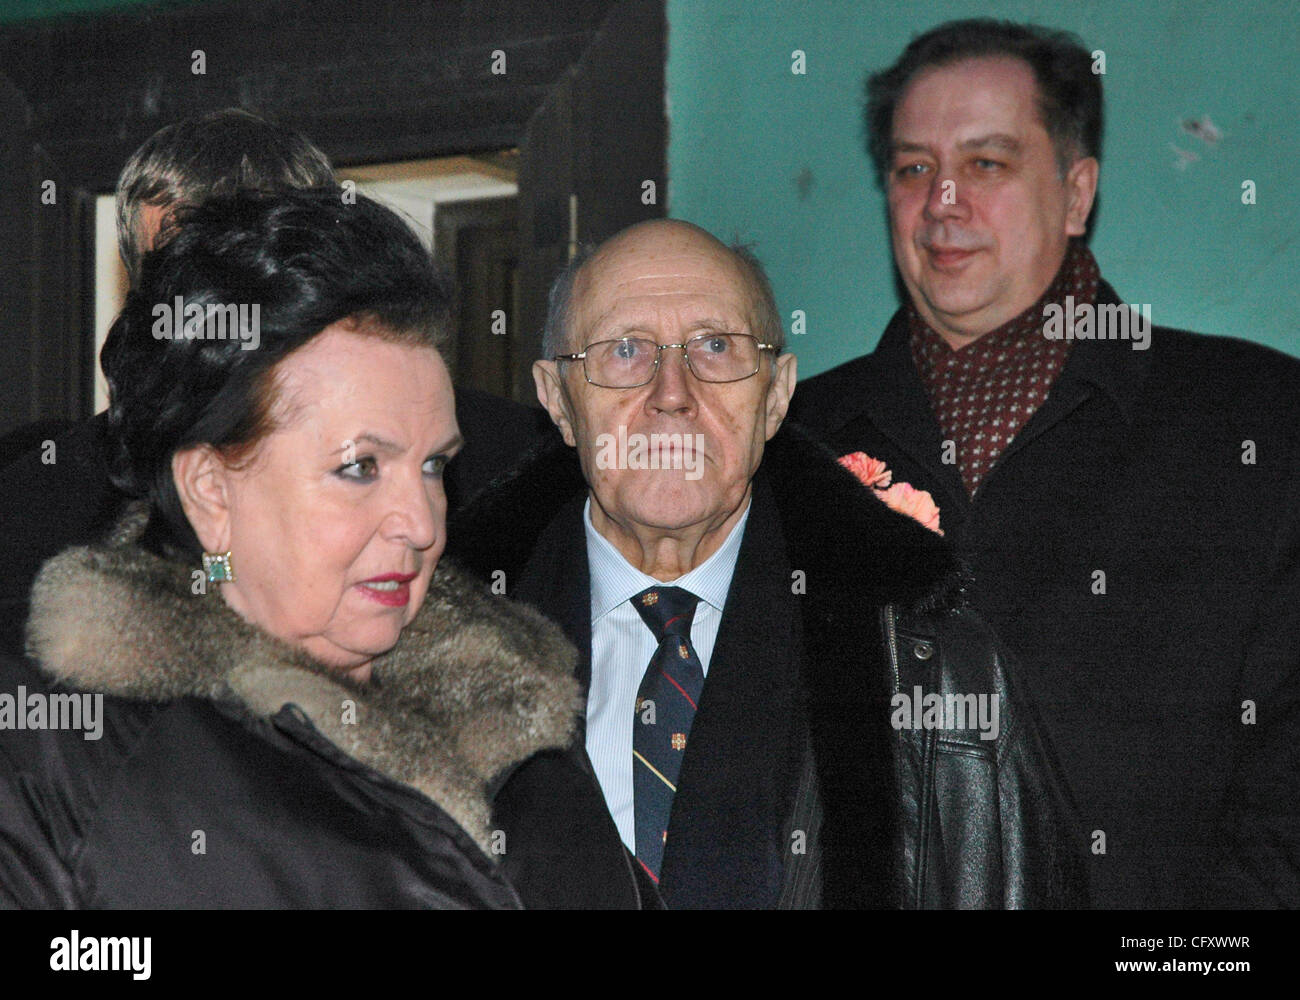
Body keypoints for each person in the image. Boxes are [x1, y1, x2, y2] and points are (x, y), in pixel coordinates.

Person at [0, 189, 641, 909]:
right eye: (360, 466)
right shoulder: (56, 765)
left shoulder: (524, 709)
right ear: (211, 490)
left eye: (433, 465)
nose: (422, 523)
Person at [789, 18, 1300, 908]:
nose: (943, 200)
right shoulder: (796, 438)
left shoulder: (1254, 422)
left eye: (986, 163)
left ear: (1075, 192)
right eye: (913, 168)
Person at [448, 217, 1087, 908]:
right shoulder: (435, 660)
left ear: (776, 395)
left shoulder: (929, 664)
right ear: (558, 402)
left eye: (715, 347)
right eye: (625, 350)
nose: (671, 393)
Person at [0, 109, 549, 655]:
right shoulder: (42, 503)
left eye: (263, 270)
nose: (222, 320)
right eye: (183, 279)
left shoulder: (514, 475)